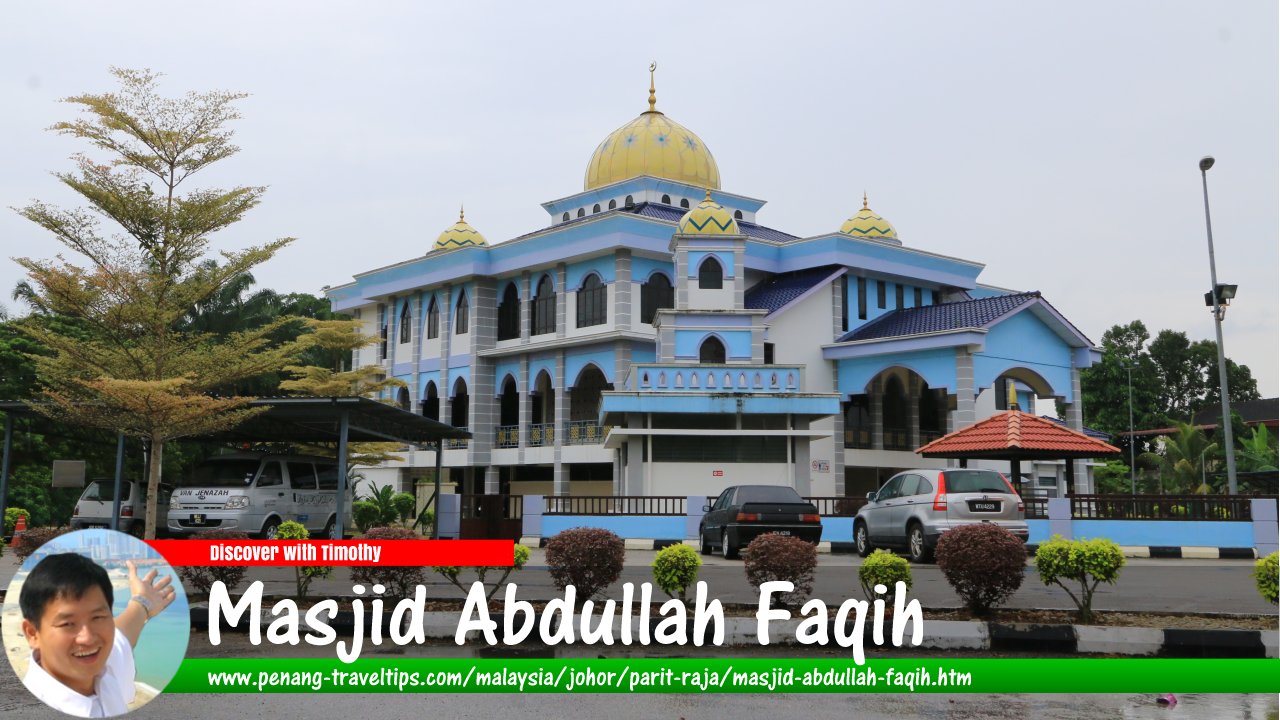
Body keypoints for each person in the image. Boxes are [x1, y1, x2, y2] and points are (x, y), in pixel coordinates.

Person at [18, 553, 177, 718]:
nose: (87, 638)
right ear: (32, 633)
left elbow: (121, 636)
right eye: (67, 624)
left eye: (98, 617)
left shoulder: (102, 668)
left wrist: (142, 602)